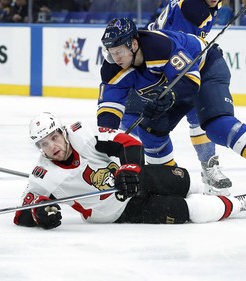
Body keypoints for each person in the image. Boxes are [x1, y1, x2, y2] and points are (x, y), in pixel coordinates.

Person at [13, 112, 246, 229]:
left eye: (54, 137)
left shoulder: (82, 135)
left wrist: (130, 169)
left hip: (135, 178)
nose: (52, 147)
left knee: (182, 181)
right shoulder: (43, 176)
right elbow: (22, 212)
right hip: (119, 211)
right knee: (185, 210)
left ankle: (212, 193)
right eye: (44, 144)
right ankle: (239, 205)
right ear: (39, 148)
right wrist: (39, 215)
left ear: (63, 132)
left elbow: (129, 142)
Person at [96, 18, 246, 194]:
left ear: (134, 44)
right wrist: (106, 147)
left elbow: (190, 80)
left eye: (119, 51)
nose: (116, 58)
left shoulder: (159, 46)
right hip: (171, 87)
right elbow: (108, 110)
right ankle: (170, 185)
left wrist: (170, 95)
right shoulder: (112, 68)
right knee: (149, 132)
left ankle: (209, 166)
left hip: (205, 70)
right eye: (112, 52)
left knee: (218, 126)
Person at [123, 0, 232, 196]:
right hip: (151, 66)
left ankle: (208, 167)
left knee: (199, 114)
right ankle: (124, 168)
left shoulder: (208, 5)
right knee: (132, 122)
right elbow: (179, 45)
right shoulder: (193, 8)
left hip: (170, 64)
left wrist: (203, 47)